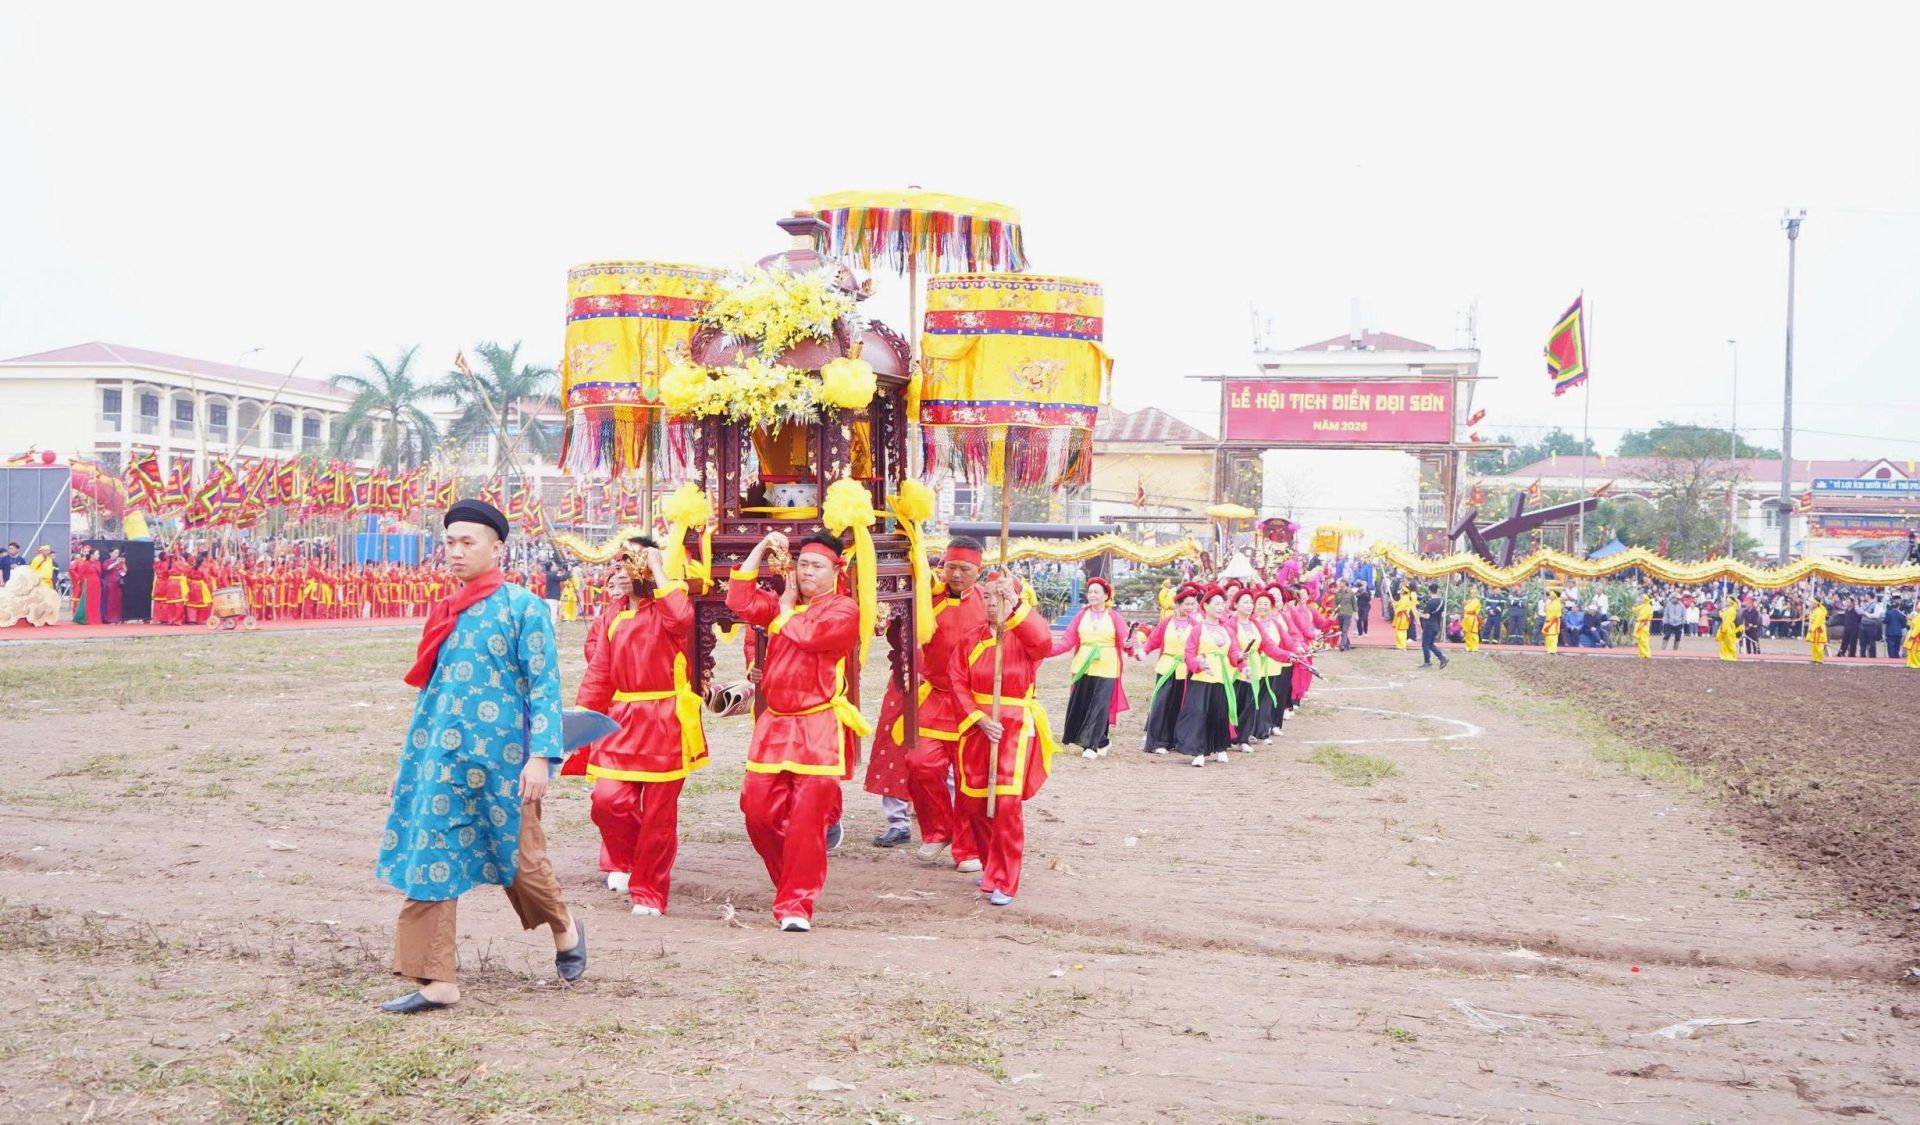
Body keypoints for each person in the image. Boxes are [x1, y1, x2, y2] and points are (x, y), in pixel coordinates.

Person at [375, 499, 583, 1014]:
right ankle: (436, 980)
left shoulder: (524, 608)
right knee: (430, 859)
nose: (456, 552)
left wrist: (542, 758)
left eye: (468, 542)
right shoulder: (447, 611)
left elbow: (544, 688)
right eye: (449, 542)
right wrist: (414, 766)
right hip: (441, 763)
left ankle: (564, 926)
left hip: (504, 763)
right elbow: (435, 696)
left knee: (522, 863)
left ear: (498, 548)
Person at [726, 530, 870, 931]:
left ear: (835, 572)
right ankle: (789, 884)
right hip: (774, 723)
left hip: (817, 724)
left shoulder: (843, 610)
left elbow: (809, 636)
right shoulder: (779, 605)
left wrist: (786, 609)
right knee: (756, 812)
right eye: (802, 564)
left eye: (816, 566)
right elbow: (738, 600)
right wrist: (760, 549)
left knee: (807, 822)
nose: (807, 572)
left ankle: (796, 904)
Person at [572, 538, 707, 917]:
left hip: (666, 719)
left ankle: (649, 890)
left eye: (636, 561)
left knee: (659, 815)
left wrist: (659, 569)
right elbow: (599, 671)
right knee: (607, 801)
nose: (627, 570)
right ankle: (630, 860)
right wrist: (583, 719)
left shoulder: (669, 602)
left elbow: (682, 621)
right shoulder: (612, 615)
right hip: (623, 719)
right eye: (623, 562)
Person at [950, 574, 1056, 906]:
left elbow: (1043, 642)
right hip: (978, 727)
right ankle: (991, 863)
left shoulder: (1024, 638)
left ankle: (1006, 878)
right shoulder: (970, 640)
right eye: (988, 597)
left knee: (1007, 804)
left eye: (1000, 597)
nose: (992, 603)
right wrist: (978, 718)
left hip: (1014, 729)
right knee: (976, 802)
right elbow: (957, 683)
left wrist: (1017, 605)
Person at [903, 538, 988, 873]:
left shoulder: (989, 601)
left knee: (971, 777)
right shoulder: (928, 599)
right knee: (920, 762)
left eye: (964, 569)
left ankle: (968, 847)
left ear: (978, 572)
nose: (955, 574)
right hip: (935, 696)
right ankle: (938, 830)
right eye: (950, 566)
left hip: (973, 705)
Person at [1052, 576, 1129, 760]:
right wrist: (1046, 650)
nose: (1092, 595)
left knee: (1100, 706)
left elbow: (1126, 638)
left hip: (1107, 665)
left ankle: (1091, 745)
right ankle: (1102, 741)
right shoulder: (1081, 615)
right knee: (1085, 703)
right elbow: (1067, 641)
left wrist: (1129, 643)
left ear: (1106, 596)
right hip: (1083, 665)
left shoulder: (1114, 617)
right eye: (1090, 591)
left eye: (1096, 592)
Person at [1179, 586, 1243, 768]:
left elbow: (1234, 651)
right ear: (1205, 606)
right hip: (1202, 678)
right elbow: (1189, 653)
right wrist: (1198, 665)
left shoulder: (1227, 630)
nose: (1220, 607)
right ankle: (1198, 751)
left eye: (1222, 604)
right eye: (1216, 604)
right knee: (1199, 713)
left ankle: (1220, 748)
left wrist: (1240, 659)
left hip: (1222, 678)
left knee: (1220, 714)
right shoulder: (1198, 629)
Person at [1139, 584, 1201, 754]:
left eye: (1192, 604)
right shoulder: (1166, 623)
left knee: (1179, 705)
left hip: (1185, 669)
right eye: (1186, 604)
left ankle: (1174, 739)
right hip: (1166, 667)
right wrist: (1144, 651)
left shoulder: (1195, 625)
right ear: (1178, 604)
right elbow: (1153, 640)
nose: (1189, 607)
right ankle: (1158, 741)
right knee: (1161, 703)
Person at [1417, 582, 1449, 669]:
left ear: (1429, 591)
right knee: (1430, 644)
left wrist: (1419, 614)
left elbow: (1427, 616)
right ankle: (1442, 658)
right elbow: (1443, 614)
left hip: (1429, 625)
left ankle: (1427, 662)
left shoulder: (1430, 603)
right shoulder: (1442, 602)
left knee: (1425, 644)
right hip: (1436, 625)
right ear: (1438, 590)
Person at [70, 546, 102, 624]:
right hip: (89, 584)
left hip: (97, 584)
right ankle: (87, 618)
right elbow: (80, 574)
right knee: (89, 601)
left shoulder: (98, 563)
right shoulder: (85, 563)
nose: (99, 555)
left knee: (96, 602)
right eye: (97, 554)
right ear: (92, 555)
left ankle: (95, 618)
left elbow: (100, 573)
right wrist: (80, 582)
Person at [102, 548, 126, 624]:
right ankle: (109, 618)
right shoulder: (107, 561)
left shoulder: (119, 562)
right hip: (110, 583)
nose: (117, 555)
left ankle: (117, 618)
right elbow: (107, 568)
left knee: (117, 601)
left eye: (117, 553)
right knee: (110, 601)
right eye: (115, 553)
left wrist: (123, 563)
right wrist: (116, 562)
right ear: (110, 553)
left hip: (117, 583)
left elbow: (124, 571)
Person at [1390, 586, 1415, 651]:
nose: (1400, 590)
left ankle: (1402, 646)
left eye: (1401, 589)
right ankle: (1400, 645)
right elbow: (1399, 605)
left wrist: (1395, 607)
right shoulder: (1404, 598)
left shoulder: (1404, 598)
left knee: (1401, 631)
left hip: (1402, 616)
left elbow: (1401, 607)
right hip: (1402, 616)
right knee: (1400, 631)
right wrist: (1394, 603)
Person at [1633, 591, 1655, 658]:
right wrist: (1634, 605)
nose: (1642, 599)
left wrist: (1639, 619)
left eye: (1643, 598)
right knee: (1640, 640)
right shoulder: (1642, 605)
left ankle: (1647, 654)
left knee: (1644, 640)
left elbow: (1646, 616)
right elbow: (1635, 610)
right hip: (1639, 624)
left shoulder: (1650, 607)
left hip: (1644, 625)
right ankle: (1642, 654)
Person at [1808, 597, 1829, 664]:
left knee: (1818, 644)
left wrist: (1812, 628)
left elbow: (1818, 621)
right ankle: (1815, 658)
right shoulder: (1815, 610)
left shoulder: (1819, 611)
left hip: (1819, 629)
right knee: (1814, 644)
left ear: (1816, 603)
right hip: (1816, 628)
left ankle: (1819, 659)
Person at [1886, 598, 1909, 663]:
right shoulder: (1901, 614)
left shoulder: (1888, 612)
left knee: (1891, 647)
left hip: (1890, 632)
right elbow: (1903, 625)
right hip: (1898, 632)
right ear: (1898, 606)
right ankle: (1896, 659)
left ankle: (1892, 659)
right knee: (1897, 647)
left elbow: (1886, 621)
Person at [1541, 589, 1564, 654]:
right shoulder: (1550, 602)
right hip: (1549, 621)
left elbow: (1555, 614)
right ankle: (1549, 650)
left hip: (1553, 621)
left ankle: (1553, 650)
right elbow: (1545, 610)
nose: (1549, 596)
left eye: (1551, 595)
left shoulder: (1557, 603)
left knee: (1553, 636)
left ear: (1554, 596)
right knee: (1548, 636)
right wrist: (1545, 602)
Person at [1460, 587, 1482, 653]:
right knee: (1467, 632)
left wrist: (1466, 605)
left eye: (1474, 593)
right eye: (1472, 593)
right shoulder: (1469, 601)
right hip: (1467, 617)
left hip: (1472, 618)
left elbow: (1470, 609)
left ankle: (1475, 647)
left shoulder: (1476, 601)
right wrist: (1464, 604)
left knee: (1473, 632)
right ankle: (1468, 647)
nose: (1473, 594)